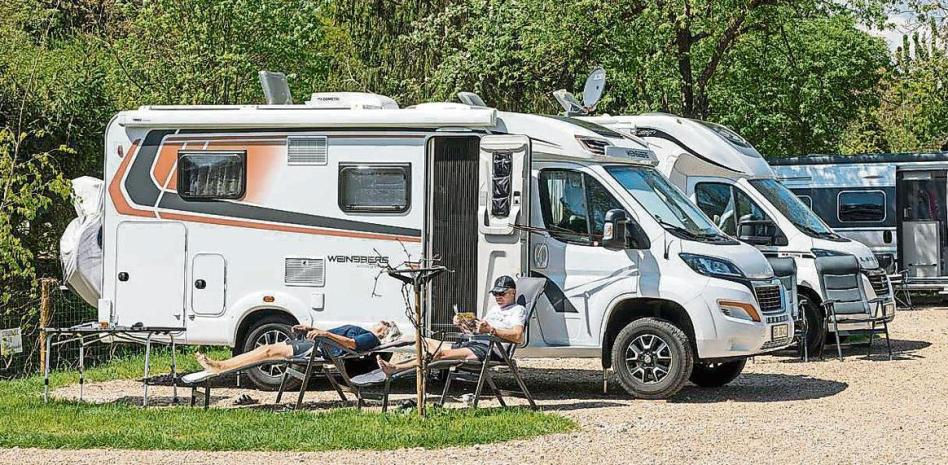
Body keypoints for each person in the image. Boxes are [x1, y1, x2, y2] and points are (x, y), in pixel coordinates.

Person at [377, 275, 525, 376]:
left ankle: (396, 368)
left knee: (439, 355)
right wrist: (463, 324)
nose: (498, 297)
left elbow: (518, 336)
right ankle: (424, 363)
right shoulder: (494, 309)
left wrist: (491, 330)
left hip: (489, 350)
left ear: (513, 293)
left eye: (502, 293)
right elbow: (476, 331)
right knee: (424, 340)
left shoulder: (518, 310)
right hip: (473, 343)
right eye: (495, 294)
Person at [189, 321, 402, 377]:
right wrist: (313, 329)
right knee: (267, 350)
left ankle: (220, 366)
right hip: (317, 344)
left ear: (385, 331)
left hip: (317, 350)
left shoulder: (371, 338)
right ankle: (221, 366)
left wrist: (324, 335)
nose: (378, 322)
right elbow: (341, 339)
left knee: (268, 352)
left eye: (383, 323)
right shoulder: (365, 333)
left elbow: (351, 346)